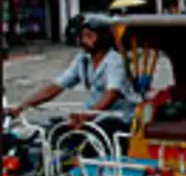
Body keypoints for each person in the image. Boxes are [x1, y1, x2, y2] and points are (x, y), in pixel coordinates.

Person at [5, 15, 137, 138]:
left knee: (86, 140)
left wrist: (87, 115)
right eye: (82, 36)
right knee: (52, 133)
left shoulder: (114, 61)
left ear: (103, 38)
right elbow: (56, 86)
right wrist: (22, 106)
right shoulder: (82, 59)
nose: (83, 40)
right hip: (92, 116)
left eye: (89, 36)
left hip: (118, 118)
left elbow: (112, 93)